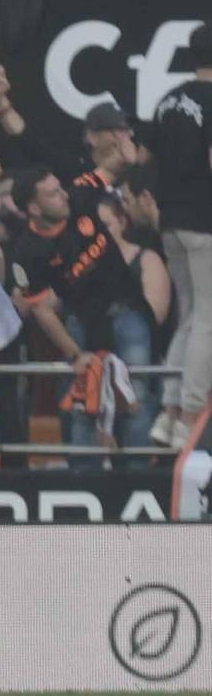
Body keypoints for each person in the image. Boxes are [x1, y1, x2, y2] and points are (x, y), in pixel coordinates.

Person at [149, 26, 212, 447]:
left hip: (170, 221)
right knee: (209, 320)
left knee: (190, 317)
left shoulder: (168, 100)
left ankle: (168, 414)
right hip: (205, 222)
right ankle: (190, 416)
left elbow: (148, 158)